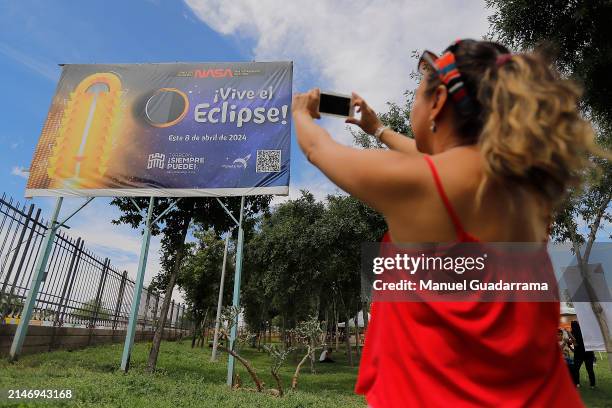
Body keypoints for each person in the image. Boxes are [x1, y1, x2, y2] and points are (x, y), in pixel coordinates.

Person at [292, 39, 605, 407]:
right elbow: (440, 160)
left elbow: (319, 150)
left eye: (419, 93)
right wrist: (377, 130)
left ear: (438, 102)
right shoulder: (527, 192)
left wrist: (300, 112)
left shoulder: (424, 185)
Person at [571, 320, 596, 388]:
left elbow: (575, 343)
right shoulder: (587, 330)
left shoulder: (574, 330)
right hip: (587, 352)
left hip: (581, 352)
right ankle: (592, 384)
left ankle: (577, 383)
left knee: (577, 368)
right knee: (589, 369)